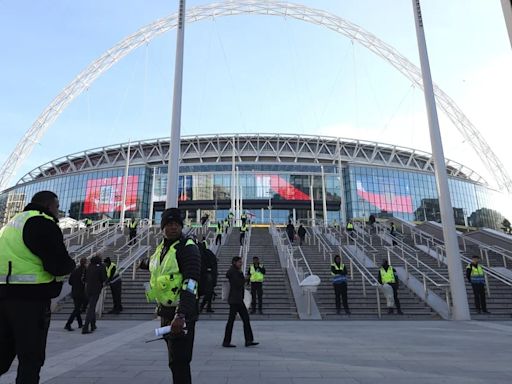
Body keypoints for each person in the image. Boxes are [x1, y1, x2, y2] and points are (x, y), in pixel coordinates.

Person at [0, 190, 75, 383]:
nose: (58, 212)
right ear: (49, 206)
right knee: (30, 358)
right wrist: (70, 265)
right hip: (30, 300)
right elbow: (58, 265)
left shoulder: (12, 223)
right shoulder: (42, 222)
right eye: (57, 207)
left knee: (3, 353)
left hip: (3, 296)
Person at [140, 208, 201, 384]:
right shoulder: (161, 248)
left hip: (181, 315)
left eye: (176, 224)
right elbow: (158, 271)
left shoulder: (187, 247)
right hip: (166, 313)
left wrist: (181, 315)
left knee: (180, 362)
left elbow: (191, 282)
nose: (173, 227)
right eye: (168, 224)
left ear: (181, 226)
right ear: (162, 227)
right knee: (174, 361)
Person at [222, 256, 259, 348]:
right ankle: (228, 341)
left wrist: (244, 278)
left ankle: (248, 340)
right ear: (234, 262)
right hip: (235, 300)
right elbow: (237, 283)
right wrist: (245, 278)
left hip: (237, 299)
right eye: (239, 262)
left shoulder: (236, 271)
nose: (241, 263)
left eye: (241, 262)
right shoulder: (232, 271)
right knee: (236, 320)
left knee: (243, 319)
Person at [82, 255, 106, 334]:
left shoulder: (89, 267)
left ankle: (93, 325)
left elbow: (84, 278)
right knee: (91, 308)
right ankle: (85, 327)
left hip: (88, 289)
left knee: (92, 306)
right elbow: (104, 278)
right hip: (96, 289)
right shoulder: (101, 267)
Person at [65, 257, 88, 331]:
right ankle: (68, 324)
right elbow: (86, 280)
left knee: (77, 308)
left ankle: (80, 324)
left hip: (74, 292)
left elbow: (70, 282)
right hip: (80, 292)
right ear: (85, 263)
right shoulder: (84, 271)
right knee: (77, 309)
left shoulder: (75, 271)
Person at [199, 242, 218, 313]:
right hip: (209, 275)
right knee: (209, 293)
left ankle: (202, 307)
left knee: (208, 293)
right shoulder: (208, 253)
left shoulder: (200, 253)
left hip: (205, 275)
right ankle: (207, 307)